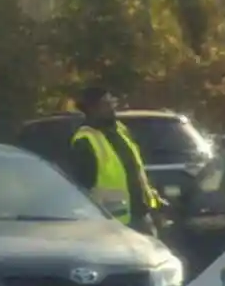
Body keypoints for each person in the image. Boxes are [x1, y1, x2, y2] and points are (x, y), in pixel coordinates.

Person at [67, 87, 163, 234]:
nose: (111, 107)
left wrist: (152, 199)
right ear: (92, 109)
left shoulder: (119, 130)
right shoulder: (85, 141)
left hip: (140, 215)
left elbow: (133, 170)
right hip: (111, 224)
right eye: (105, 104)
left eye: (112, 102)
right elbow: (81, 187)